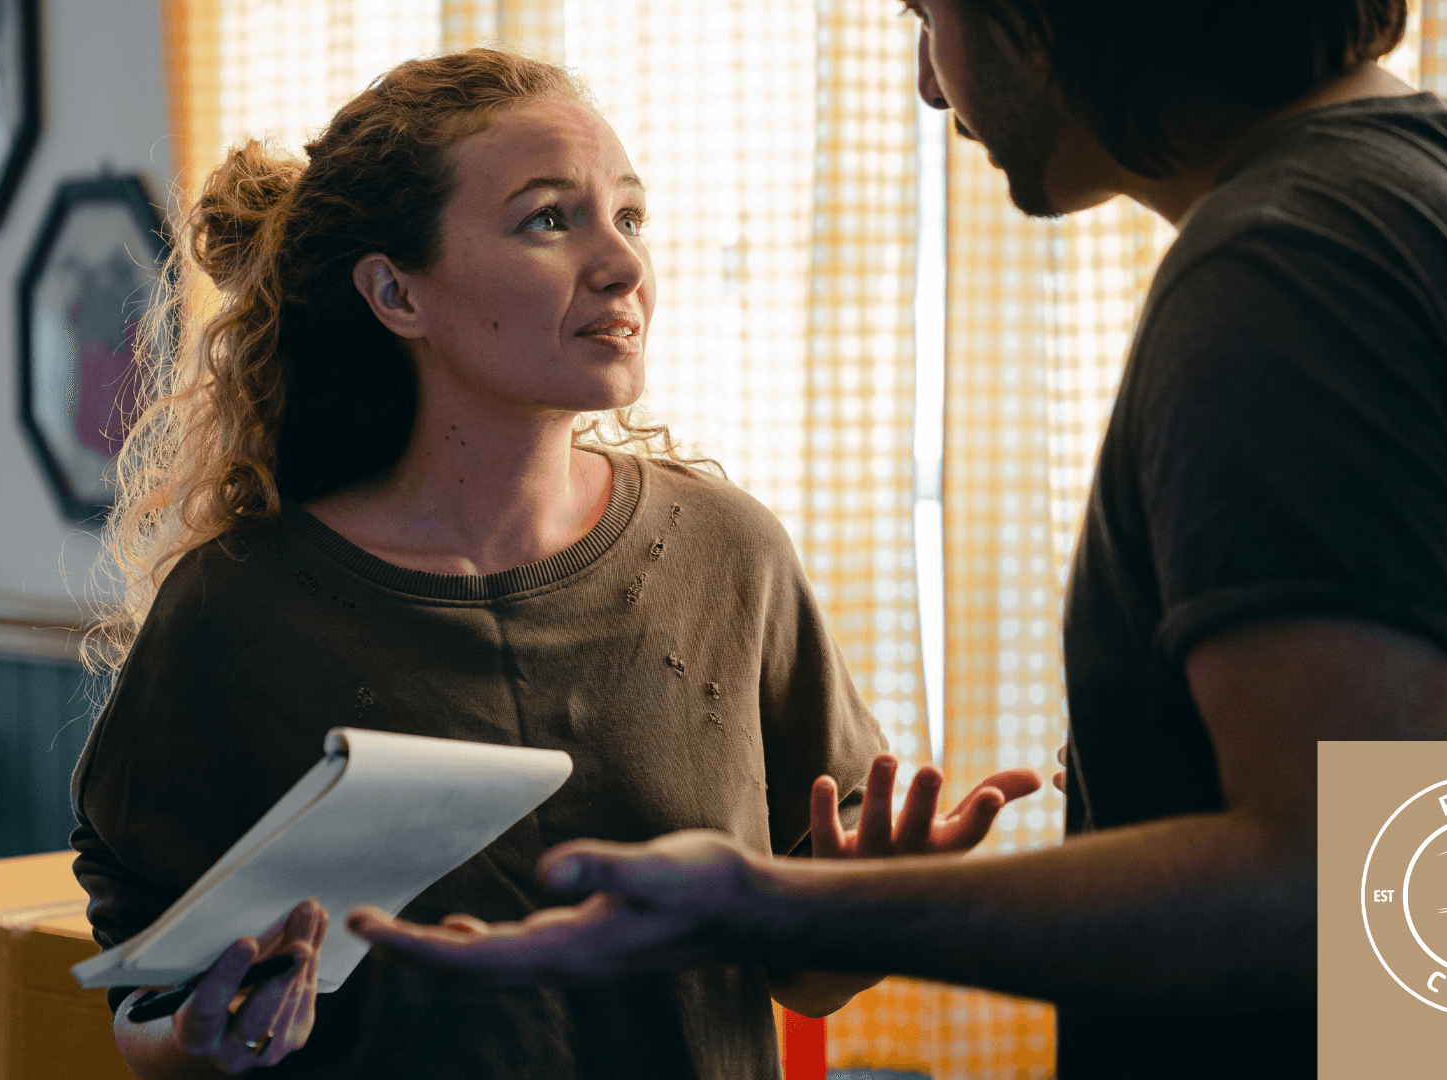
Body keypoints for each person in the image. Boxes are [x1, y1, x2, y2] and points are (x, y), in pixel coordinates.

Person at [347, 1, 1447, 1076]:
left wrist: (770, 905)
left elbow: (1337, 884)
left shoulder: (1286, 269)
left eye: (931, 16)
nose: (931, 85)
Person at [68, 48, 1039, 1080]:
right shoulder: (237, 609)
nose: (620, 264)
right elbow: (147, 1005)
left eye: (629, 216)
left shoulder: (729, 554)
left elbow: (802, 980)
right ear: (396, 294)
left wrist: (862, 906)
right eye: (548, 219)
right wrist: (196, 1042)